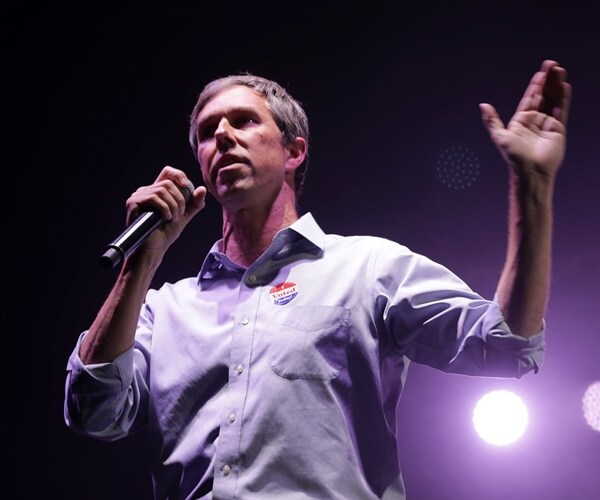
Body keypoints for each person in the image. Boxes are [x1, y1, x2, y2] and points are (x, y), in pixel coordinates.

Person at [64, 59, 571, 499]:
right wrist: (140, 263)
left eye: (243, 121)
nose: (221, 136)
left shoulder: (368, 268)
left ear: (294, 152)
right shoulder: (163, 309)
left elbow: (506, 345)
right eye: (206, 131)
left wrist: (533, 185)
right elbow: (93, 412)